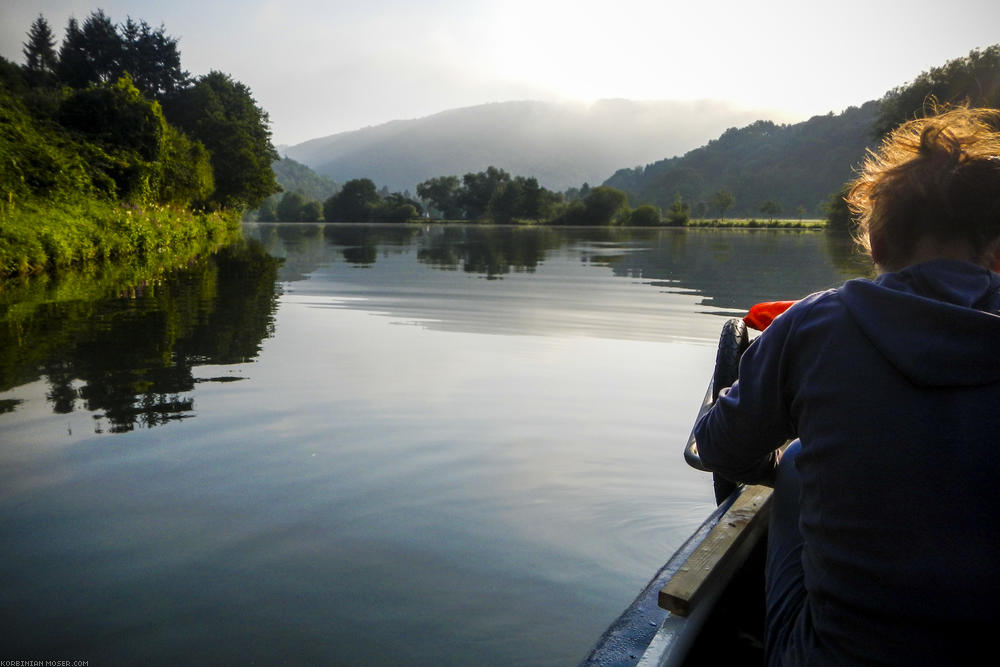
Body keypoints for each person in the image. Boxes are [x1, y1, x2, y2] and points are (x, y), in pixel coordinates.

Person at [693, 106, 1000, 666]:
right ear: (996, 251)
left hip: (827, 657)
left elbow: (718, 451)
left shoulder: (815, 323)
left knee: (797, 459)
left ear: (877, 243)